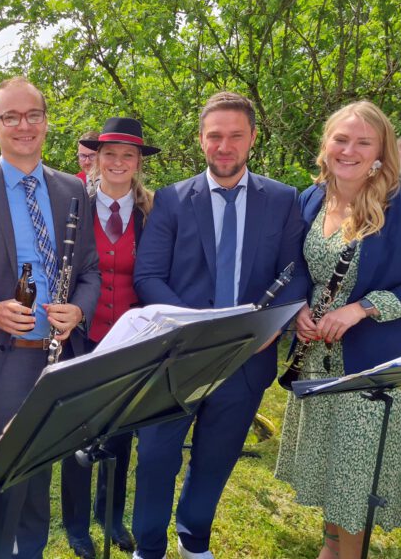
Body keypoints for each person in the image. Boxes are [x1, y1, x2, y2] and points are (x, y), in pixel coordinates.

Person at [132, 91, 308, 559]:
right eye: (215, 136)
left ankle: (193, 538)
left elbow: (297, 275)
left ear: (252, 137)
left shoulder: (282, 199)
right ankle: (148, 547)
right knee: (154, 458)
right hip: (177, 357)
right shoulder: (171, 199)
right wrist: (192, 330)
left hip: (247, 358)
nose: (224, 146)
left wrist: (271, 327)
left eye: (235, 135)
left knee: (214, 459)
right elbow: (148, 275)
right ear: (201, 140)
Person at [0, 76, 101, 558]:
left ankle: (29, 551)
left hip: (57, 358)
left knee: (39, 479)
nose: (23, 125)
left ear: (47, 122)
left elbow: (90, 270)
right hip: (0, 360)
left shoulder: (73, 187)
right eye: (10, 117)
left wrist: (79, 309)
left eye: (33, 114)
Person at [275, 101, 401, 559]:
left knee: (356, 481)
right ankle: (330, 549)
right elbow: (297, 265)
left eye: (363, 141)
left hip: (372, 366)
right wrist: (297, 307)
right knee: (332, 471)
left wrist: (364, 308)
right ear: (326, 144)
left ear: (381, 150)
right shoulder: (312, 196)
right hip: (318, 357)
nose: (349, 150)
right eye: (341, 139)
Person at [60, 117, 158, 558]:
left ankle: (111, 515)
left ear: (138, 163)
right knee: (77, 432)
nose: (118, 162)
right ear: (95, 160)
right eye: (109, 154)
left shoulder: (152, 213)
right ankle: (76, 523)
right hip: (81, 334)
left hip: (132, 339)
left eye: (128, 155)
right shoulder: (73, 208)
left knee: (121, 431)